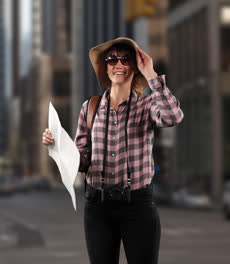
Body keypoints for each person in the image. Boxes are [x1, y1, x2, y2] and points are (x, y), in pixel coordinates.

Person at [42, 37, 183, 264]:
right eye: (111, 59)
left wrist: (151, 74)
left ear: (134, 67)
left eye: (125, 59)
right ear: (105, 68)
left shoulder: (147, 106)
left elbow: (172, 116)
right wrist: (57, 146)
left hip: (138, 206)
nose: (118, 64)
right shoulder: (90, 108)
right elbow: (83, 160)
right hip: (98, 208)